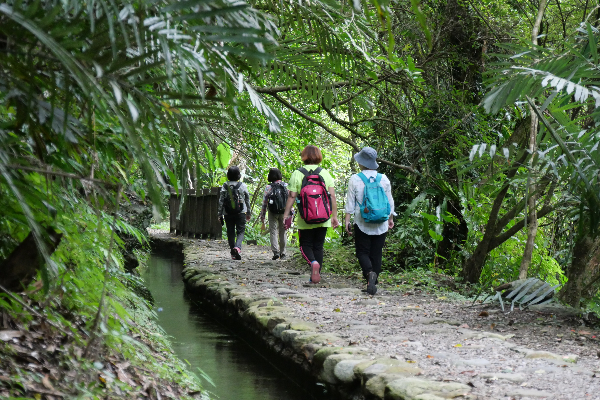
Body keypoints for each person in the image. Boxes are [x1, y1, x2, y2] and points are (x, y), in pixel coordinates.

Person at [282, 145, 339, 283]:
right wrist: (334, 216)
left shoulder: (298, 173)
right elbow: (332, 196)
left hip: (305, 218)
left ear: (304, 156)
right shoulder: (325, 173)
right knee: (318, 246)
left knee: (305, 245)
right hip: (323, 218)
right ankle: (316, 275)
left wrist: (286, 215)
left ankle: (313, 263)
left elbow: (291, 196)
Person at [344, 147, 395, 295]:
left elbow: (350, 204)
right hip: (381, 222)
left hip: (362, 221)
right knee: (376, 252)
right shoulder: (384, 179)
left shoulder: (355, 179)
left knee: (362, 252)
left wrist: (347, 221)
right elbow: (390, 202)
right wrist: (390, 218)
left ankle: (369, 274)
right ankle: (373, 281)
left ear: (361, 162)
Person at [218, 166, 251, 260]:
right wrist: (248, 211)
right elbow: (247, 199)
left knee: (230, 232)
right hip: (241, 212)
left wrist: (219, 214)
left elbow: (221, 201)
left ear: (228, 175)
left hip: (228, 213)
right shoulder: (242, 185)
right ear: (238, 175)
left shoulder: (225, 186)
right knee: (241, 231)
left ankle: (233, 252)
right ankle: (237, 247)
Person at [259, 168, 290, 260]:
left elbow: (265, 202)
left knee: (273, 231)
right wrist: (290, 213)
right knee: (283, 231)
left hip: (273, 212)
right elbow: (290, 199)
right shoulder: (286, 186)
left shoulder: (269, 187)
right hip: (284, 212)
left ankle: (275, 252)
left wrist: (263, 215)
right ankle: (283, 253)